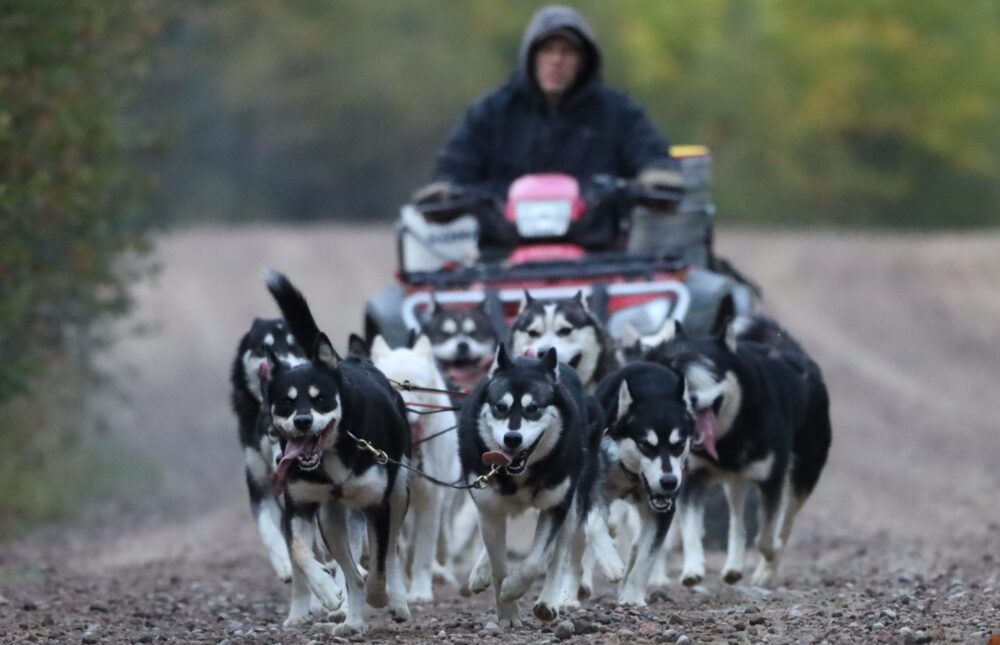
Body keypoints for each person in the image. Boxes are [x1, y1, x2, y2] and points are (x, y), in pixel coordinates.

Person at [418, 4, 681, 255]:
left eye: (567, 51)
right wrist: (446, 191)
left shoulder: (617, 112)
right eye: (547, 50)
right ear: (530, 57)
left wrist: (654, 177)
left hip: (600, 259)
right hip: (501, 259)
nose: (556, 59)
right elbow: (454, 167)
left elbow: (651, 154)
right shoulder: (492, 112)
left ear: (583, 60)